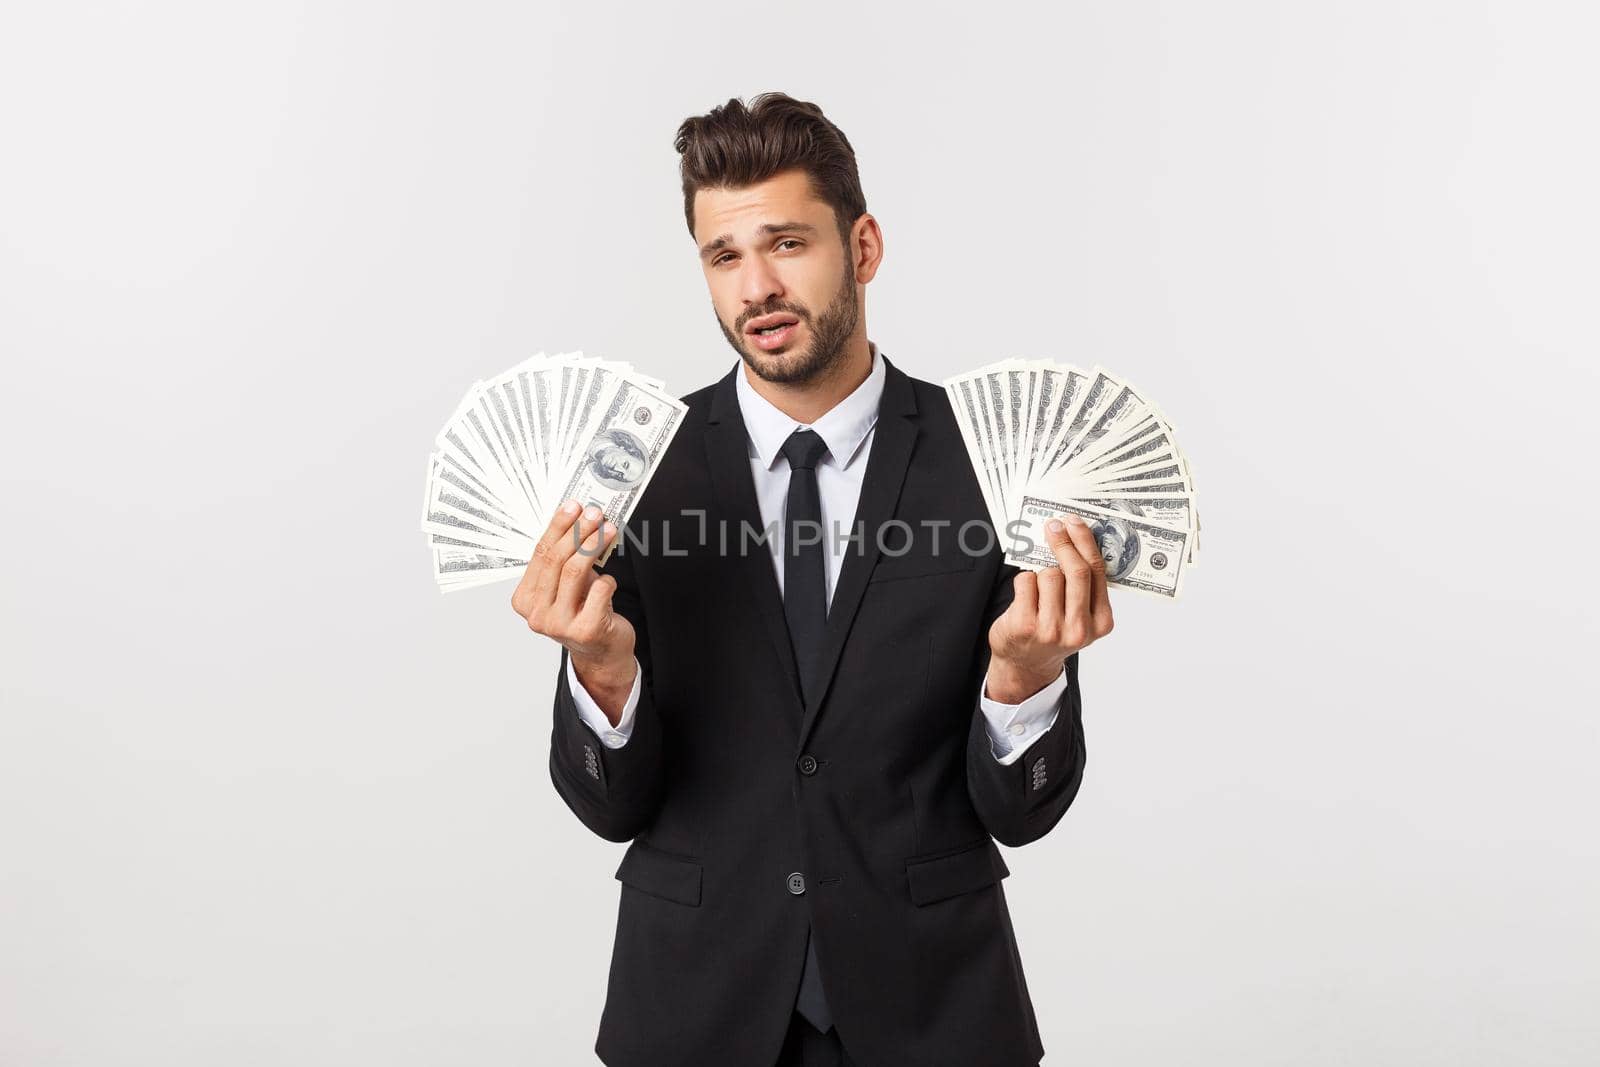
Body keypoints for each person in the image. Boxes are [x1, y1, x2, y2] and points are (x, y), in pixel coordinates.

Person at [511, 92, 1115, 1067]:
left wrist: (1022, 683)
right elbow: (609, 808)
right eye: (725, 256)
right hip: (693, 1010)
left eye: (787, 243)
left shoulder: (994, 466)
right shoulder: (629, 472)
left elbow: (1023, 812)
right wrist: (601, 674)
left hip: (934, 1011)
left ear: (863, 247)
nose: (757, 287)